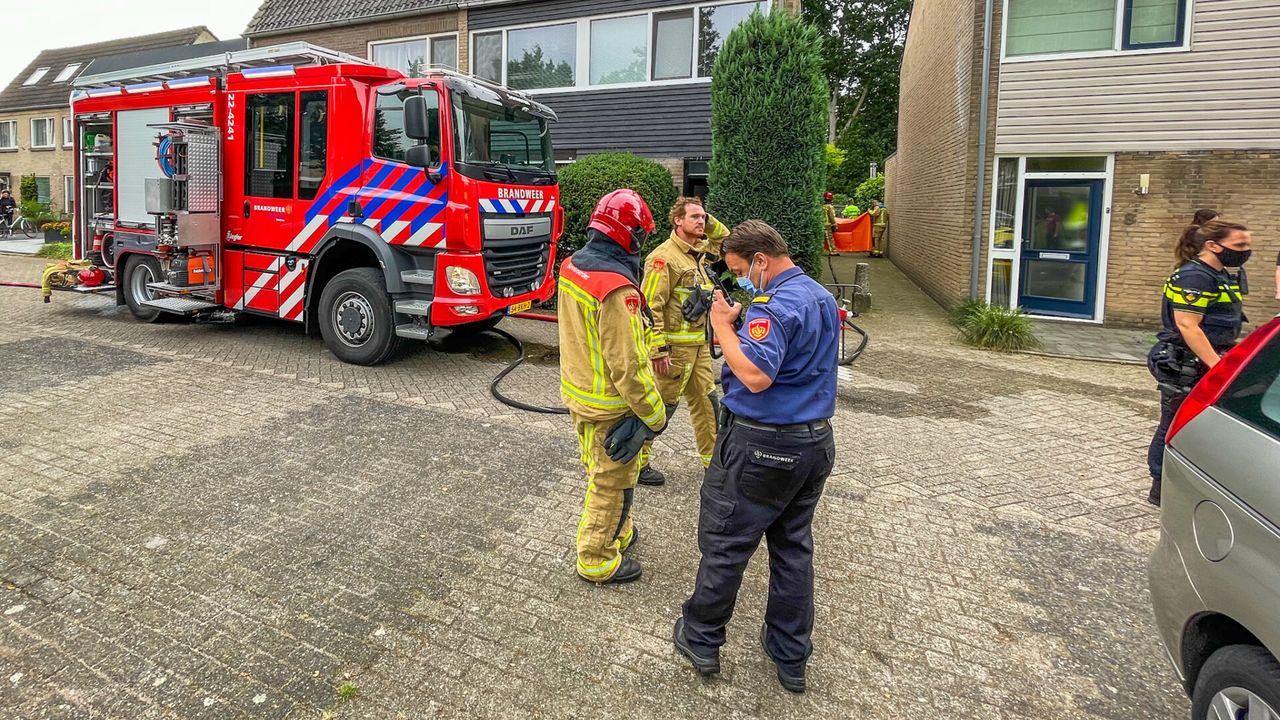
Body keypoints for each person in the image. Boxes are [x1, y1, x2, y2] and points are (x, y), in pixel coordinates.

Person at [672, 219, 839, 693]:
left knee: (726, 543)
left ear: (761, 260)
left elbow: (757, 376)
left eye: (742, 270)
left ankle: (701, 638)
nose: (743, 281)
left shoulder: (774, 305)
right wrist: (745, 322)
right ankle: (790, 654)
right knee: (792, 548)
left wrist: (724, 328)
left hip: (762, 447)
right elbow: (797, 355)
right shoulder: (818, 297)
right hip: (813, 445)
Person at [558, 189, 670, 584]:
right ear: (632, 235)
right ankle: (597, 558)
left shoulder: (573, 266)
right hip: (612, 404)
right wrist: (655, 416)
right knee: (611, 481)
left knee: (603, 469)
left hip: (581, 393)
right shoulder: (617, 290)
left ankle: (618, 531)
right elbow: (629, 364)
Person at [1146, 219, 1252, 506]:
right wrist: (1220, 368)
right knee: (1174, 424)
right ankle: (1160, 487)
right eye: (1239, 245)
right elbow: (1188, 325)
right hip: (1186, 363)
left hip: (1208, 359)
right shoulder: (1195, 277)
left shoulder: (1222, 275)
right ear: (1213, 246)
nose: (1246, 250)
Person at [636, 197, 729, 486]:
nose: (702, 222)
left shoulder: (698, 253)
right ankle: (636, 463)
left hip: (699, 349)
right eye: (695, 217)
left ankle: (712, 467)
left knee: (708, 405)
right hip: (673, 353)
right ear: (678, 220)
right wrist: (657, 349)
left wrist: (706, 218)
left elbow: (726, 239)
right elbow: (650, 307)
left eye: (704, 217)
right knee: (661, 408)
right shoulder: (663, 258)